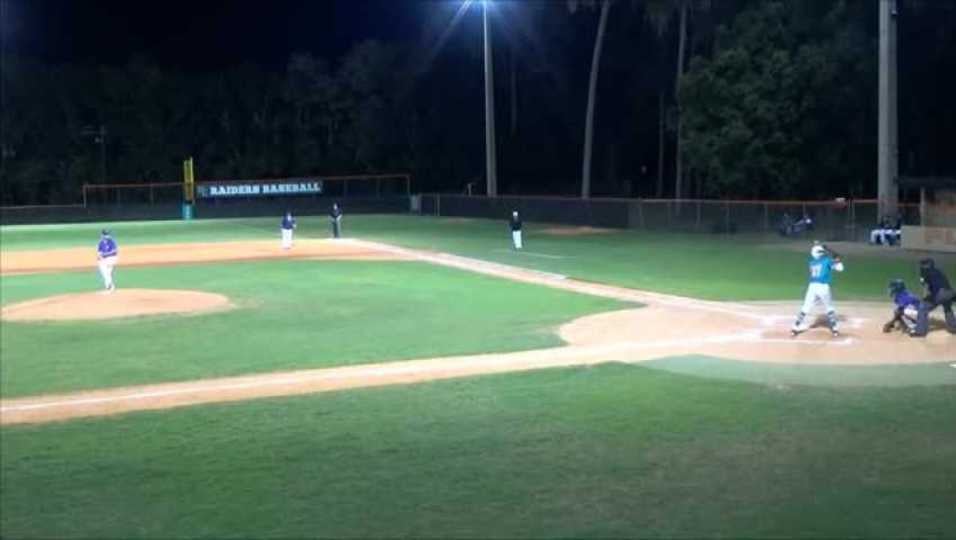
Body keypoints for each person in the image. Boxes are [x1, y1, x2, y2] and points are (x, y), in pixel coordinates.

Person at [791, 242, 845, 337]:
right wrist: (837, 258)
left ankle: (795, 327)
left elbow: (825, 261)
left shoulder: (812, 263)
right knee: (829, 307)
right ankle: (835, 329)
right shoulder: (827, 261)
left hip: (812, 287)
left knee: (806, 306)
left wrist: (833, 257)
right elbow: (840, 268)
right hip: (823, 287)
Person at [911, 258, 956, 337]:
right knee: (947, 307)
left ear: (926, 265)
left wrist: (924, 298)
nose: (921, 266)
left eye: (922, 264)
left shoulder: (924, 271)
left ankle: (920, 332)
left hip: (941, 293)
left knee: (923, 308)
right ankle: (953, 328)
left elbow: (926, 286)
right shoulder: (938, 271)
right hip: (950, 292)